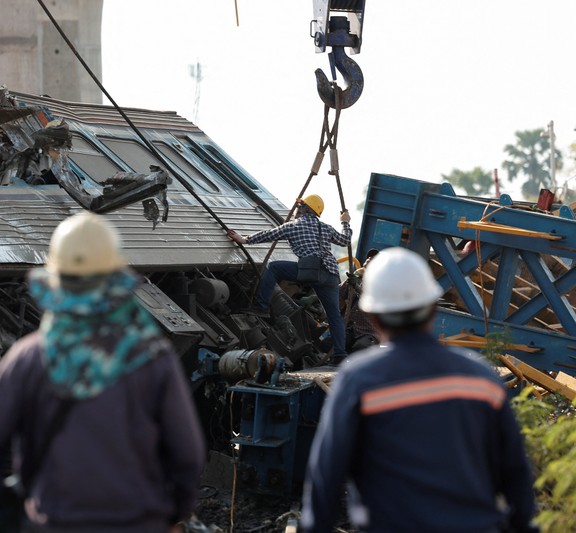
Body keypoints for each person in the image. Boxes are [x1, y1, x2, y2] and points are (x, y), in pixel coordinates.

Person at [0, 212, 206, 533]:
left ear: (55, 281)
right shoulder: (153, 358)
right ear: (115, 280)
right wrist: (174, 514)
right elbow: (187, 455)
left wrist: (0, 524)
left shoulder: (28, 358)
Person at [301, 247, 538, 533]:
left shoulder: (359, 381)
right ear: (433, 308)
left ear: (374, 317)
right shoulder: (482, 379)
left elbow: (326, 478)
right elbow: (517, 475)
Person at [227, 193, 352, 363]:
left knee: (274, 267)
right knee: (334, 317)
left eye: (298, 207)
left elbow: (268, 235)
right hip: (330, 274)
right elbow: (345, 240)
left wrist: (244, 239)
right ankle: (340, 355)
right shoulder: (326, 227)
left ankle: (261, 306)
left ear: (302, 209)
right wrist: (345, 221)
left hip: (309, 272)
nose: (295, 210)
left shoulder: (293, 226)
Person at [338, 248, 380, 353]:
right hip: (350, 328)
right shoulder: (355, 279)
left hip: (368, 332)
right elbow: (336, 293)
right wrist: (314, 298)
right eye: (369, 257)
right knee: (330, 344)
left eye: (374, 258)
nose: (369, 258)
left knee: (361, 347)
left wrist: (356, 287)